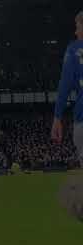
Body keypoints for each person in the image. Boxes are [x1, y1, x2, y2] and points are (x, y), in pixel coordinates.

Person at [52, 10, 83, 167]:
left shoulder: (74, 49)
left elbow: (64, 85)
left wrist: (57, 117)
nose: (76, 31)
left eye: (78, 26)